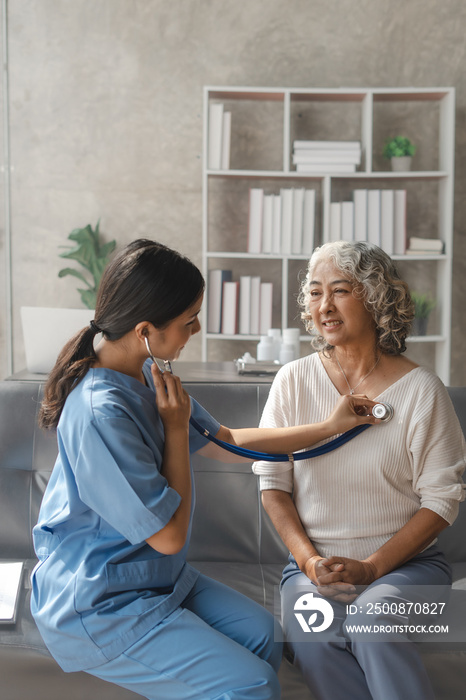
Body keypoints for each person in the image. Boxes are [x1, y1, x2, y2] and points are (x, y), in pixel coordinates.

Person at [31, 239, 379, 700]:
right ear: (144, 330)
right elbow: (169, 537)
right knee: (254, 684)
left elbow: (229, 443)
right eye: (188, 320)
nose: (195, 328)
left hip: (158, 578)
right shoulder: (101, 413)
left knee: (264, 637)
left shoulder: (146, 373)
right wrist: (175, 431)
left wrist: (330, 426)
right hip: (103, 603)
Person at [253, 240, 466, 700]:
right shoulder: (292, 381)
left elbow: (442, 501)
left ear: (375, 297)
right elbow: (273, 486)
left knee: (375, 618)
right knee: (314, 633)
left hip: (408, 570)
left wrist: (371, 570)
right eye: (314, 293)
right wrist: (310, 563)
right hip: (315, 569)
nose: (323, 306)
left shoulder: (422, 390)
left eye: (340, 290)